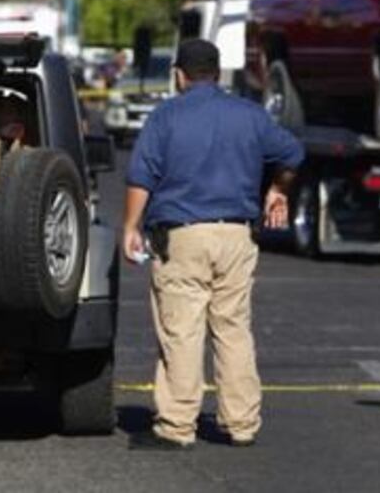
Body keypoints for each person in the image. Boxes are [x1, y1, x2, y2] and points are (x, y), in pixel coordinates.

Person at [122, 39, 305, 450]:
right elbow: (292, 154)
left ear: (179, 73)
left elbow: (141, 177)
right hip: (237, 234)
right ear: (218, 72)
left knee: (182, 330)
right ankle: (241, 424)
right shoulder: (250, 114)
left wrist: (130, 226)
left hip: (183, 234)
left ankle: (176, 426)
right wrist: (277, 189)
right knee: (233, 328)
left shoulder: (166, 116)